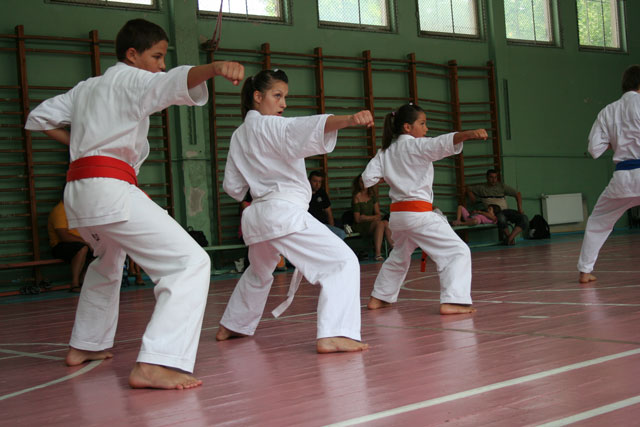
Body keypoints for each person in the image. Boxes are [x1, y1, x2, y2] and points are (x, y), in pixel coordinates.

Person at [25, 19, 244, 390]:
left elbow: (38, 118)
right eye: (156, 56)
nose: (161, 64)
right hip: (109, 188)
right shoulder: (131, 79)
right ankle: (157, 362)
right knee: (189, 263)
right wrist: (213, 68)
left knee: (107, 261)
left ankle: (86, 344)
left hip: (79, 189)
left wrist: (83, 147)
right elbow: (169, 82)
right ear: (132, 54)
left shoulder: (87, 88)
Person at [217, 68, 372, 353]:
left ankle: (233, 324)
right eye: (277, 96)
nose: (283, 104)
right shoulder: (272, 126)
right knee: (342, 262)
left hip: (258, 216)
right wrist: (349, 120)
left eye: (285, 97)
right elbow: (304, 127)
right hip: (283, 213)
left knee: (259, 272)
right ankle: (336, 332)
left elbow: (233, 187)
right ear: (257, 96)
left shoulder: (239, 135)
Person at [362, 103, 487, 314]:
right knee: (457, 251)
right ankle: (454, 301)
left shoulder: (385, 151)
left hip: (398, 216)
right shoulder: (417, 146)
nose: (426, 128)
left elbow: (367, 178)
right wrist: (469, 134)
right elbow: (442, 142)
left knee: (399, 256)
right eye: (422, 123)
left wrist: (393, 175)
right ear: (407, 127)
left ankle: (380, 297)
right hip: (418, 215)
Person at [578, 65, 640, 284]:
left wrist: (617, 143)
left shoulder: (608, 111)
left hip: (623, 178)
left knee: (598, 222)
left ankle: (585, 271)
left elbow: (594, 149)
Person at [466, 169, 527, 245]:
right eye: (491, 177)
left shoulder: (502, 186)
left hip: (506, 211)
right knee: (501, 218)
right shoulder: (481, 188)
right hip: (495, 213)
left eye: (495, 177)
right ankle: (510, 239)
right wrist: (472, 197)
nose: (494, 180)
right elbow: (468, 189)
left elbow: (518, 194)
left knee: (524, 218)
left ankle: (509, 239)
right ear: (487, 178)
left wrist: (520, 208)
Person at [47, 200, 93, 292]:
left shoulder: (76, 209)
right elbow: (64, 236)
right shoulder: (59, 210)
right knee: (82, 248)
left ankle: (83, 277)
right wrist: (86, 242)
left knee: (103, 248)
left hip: (80, 243)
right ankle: (74, 283)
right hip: (59, 246)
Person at [352, 174, 393, 261]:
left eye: (365, 182)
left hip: (371, 222)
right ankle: (378, 253)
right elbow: (358, 219)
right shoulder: (356, 197)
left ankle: (393, 248)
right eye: (361, 182)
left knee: (385, 223)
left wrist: (366, 217)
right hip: (361, 225)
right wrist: (372, 218)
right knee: (380, 224)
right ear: (358, 183)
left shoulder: (372, 196)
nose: (363, 184)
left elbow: (378, 215)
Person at [308, 170, 346, 239]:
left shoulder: (322, 192)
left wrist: (332, 229)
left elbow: (328, 212)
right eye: (315, 181)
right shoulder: (304, 193)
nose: (317, 184)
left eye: (319, 182)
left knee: (341, 233)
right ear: (309, 181)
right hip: (310, 226)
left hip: (322, 225)